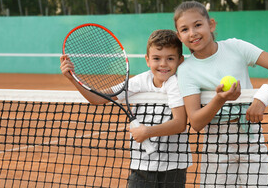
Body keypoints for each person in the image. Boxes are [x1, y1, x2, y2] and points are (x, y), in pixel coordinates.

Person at [174, 1, 268, 187]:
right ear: (179, 36)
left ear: (211, 24)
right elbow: (196, 122)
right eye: (185, 29)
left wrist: (261, 100)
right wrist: (219, 100)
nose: (193, 33)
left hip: (250, 135)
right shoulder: (186, 70)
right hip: (216, 141)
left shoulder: (236, 47)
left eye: (198, 25)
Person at [60, 29, 192, 188]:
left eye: (170, 58)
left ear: (180, 60)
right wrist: (73, 78)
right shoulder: (141, 80)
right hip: (141, 165)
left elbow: (180, 123)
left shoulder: (176, 84)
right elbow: (98, 98)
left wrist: (147, 132)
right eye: (157, 58)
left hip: (173, 167)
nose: (163, 64)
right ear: (148, 60)